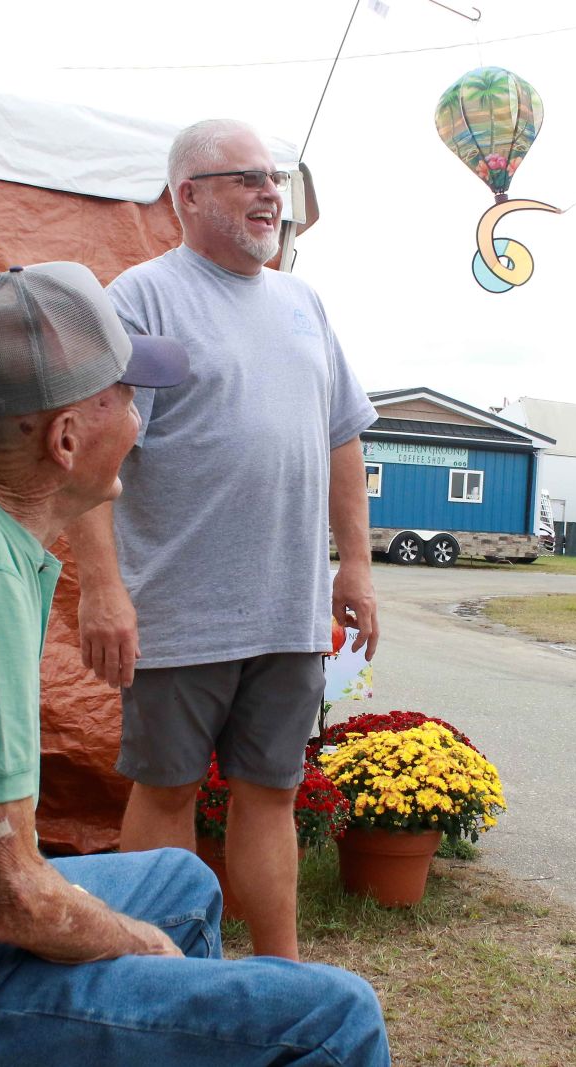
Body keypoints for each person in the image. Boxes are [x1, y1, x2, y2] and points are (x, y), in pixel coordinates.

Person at [0, 261, 390, 1065]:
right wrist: (142, 947)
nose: (141, 419)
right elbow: (13, 897)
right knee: (336, 1014)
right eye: (129, 398)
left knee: (182, 878)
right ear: (66, 438)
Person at [67, 119, 379, 961]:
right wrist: (102, 586)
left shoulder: (304, 302)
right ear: (188, 197)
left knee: (270, 792)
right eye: (244, 178)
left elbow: (342, 435)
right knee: (165, 789)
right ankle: (154, 978)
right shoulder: (140, 299)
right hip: (178, 607)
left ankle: (280, 981)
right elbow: (92, 454)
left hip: (287, 607)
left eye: (273, 176)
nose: (269, 191)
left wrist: (355, 561)